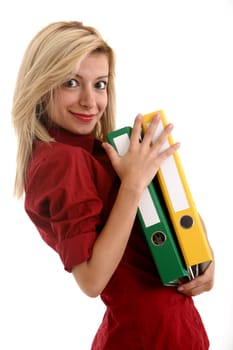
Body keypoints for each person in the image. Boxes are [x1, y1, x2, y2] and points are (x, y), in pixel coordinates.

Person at [12, 21, 214, 349]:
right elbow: (91, 279)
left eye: (100, 84)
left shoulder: (95, 151)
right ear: (41, 83)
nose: (90, 101)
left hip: (167, 326)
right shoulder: (62, 161)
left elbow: (156, 219)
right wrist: (133, 185)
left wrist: (202, 256)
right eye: (71, 82)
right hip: (147, 335)